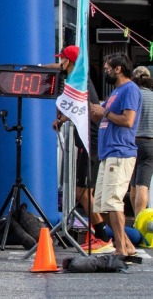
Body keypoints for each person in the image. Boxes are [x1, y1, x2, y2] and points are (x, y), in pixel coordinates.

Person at [51, 45, 110, 250]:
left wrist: (62, 118)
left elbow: (80, 107)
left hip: (90, 143)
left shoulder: (80, 81)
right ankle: (100, 234)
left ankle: (103, 236)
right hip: (88, 142)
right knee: (84, 192)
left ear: (70, 62)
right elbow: (79, 107)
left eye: (63, 60)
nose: (60, 63)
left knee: (82, 192)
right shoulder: (80, 78)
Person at [89, 53, 142, 257]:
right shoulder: (116, 92)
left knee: (113, 202)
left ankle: (121, 248)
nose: (105, 70)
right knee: (103, 204)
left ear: (118, 68)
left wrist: (105, 113)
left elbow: (128, 120)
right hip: (108, 153)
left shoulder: (129, 89)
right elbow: (98, 113)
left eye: (107, 67)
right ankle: (127, 245)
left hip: (120, 152)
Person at [130, 66, 153, 215]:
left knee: (133, 185)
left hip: (132, 143)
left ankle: (135, 219)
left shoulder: (133, 95)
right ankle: (139, 221)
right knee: (142, 186)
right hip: (150, 143)